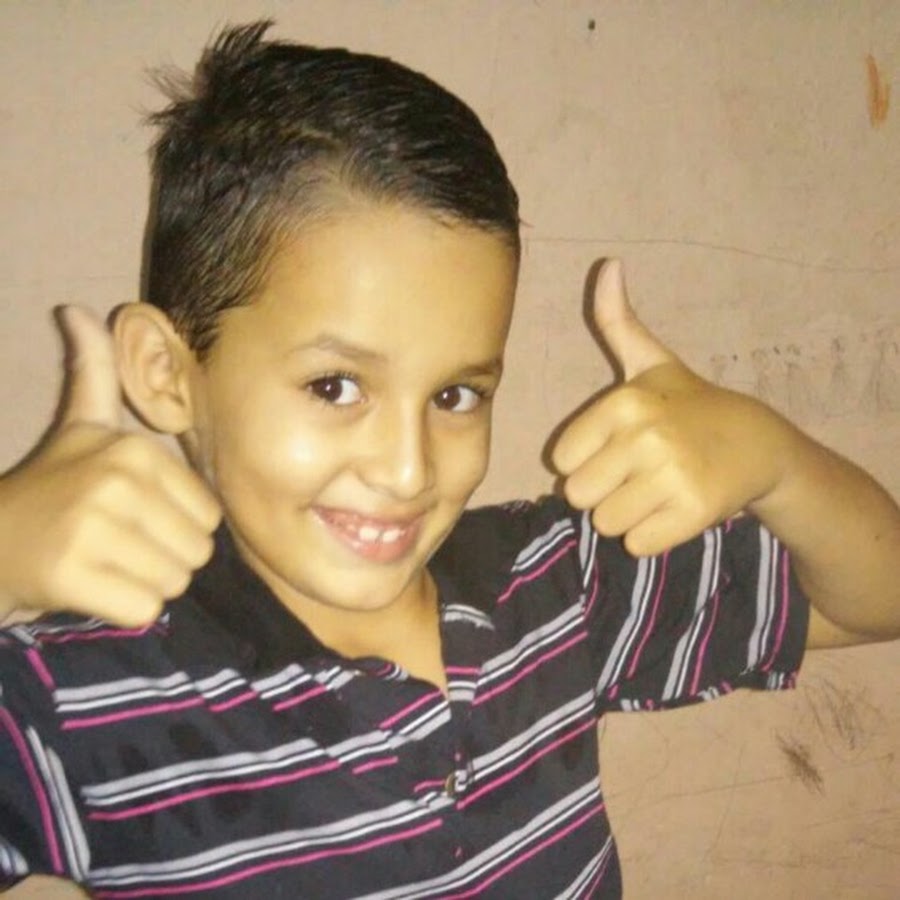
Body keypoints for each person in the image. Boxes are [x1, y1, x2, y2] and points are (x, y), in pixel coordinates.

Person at [0, 20, 897, 899]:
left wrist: (773, 458)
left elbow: (874, 597)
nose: (407, 471)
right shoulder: (83, 694)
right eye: (335, 386)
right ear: (167, 373)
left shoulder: (555, 587)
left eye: (457, 395)